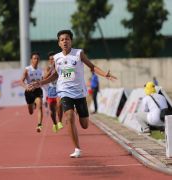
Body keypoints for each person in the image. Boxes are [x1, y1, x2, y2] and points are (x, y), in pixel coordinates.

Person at [31, 30, 117, 158]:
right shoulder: (57, 58)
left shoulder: (78, 53)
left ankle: (79, 113)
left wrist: (105, 74)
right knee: (69, 117)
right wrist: (41, 82)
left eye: (67, 39)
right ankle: (77, 149)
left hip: (80, 92)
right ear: (59, 43)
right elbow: (55, 74)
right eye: (62, 39)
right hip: (64, 91)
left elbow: (91, 67)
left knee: (84, 125)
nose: (65, 41)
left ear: (71, 41)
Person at [20, 52, 44, 133]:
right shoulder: (27, 69)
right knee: (31, 112)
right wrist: (26, 87)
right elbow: (21, 81)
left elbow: (43, 80)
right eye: (34, 58)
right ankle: (32, 104)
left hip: (37, 91)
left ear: (39, 60)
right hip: (29, 92)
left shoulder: (41, 70)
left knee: (40, 105)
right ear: (31, 60)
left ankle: (39, 125)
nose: (36, 60)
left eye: (37, 58)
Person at [44, 51, 63, 133]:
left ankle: (60, 122)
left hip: (59, 88)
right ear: (49, 61)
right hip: (51, 90)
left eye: (53, 59)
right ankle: (55, 123)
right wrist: (52, 68)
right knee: (52, 111)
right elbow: (45, 77)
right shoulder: (48, 68)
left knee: (59, 105)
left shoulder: (60, 66)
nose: (52, 61)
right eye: (51, 59)